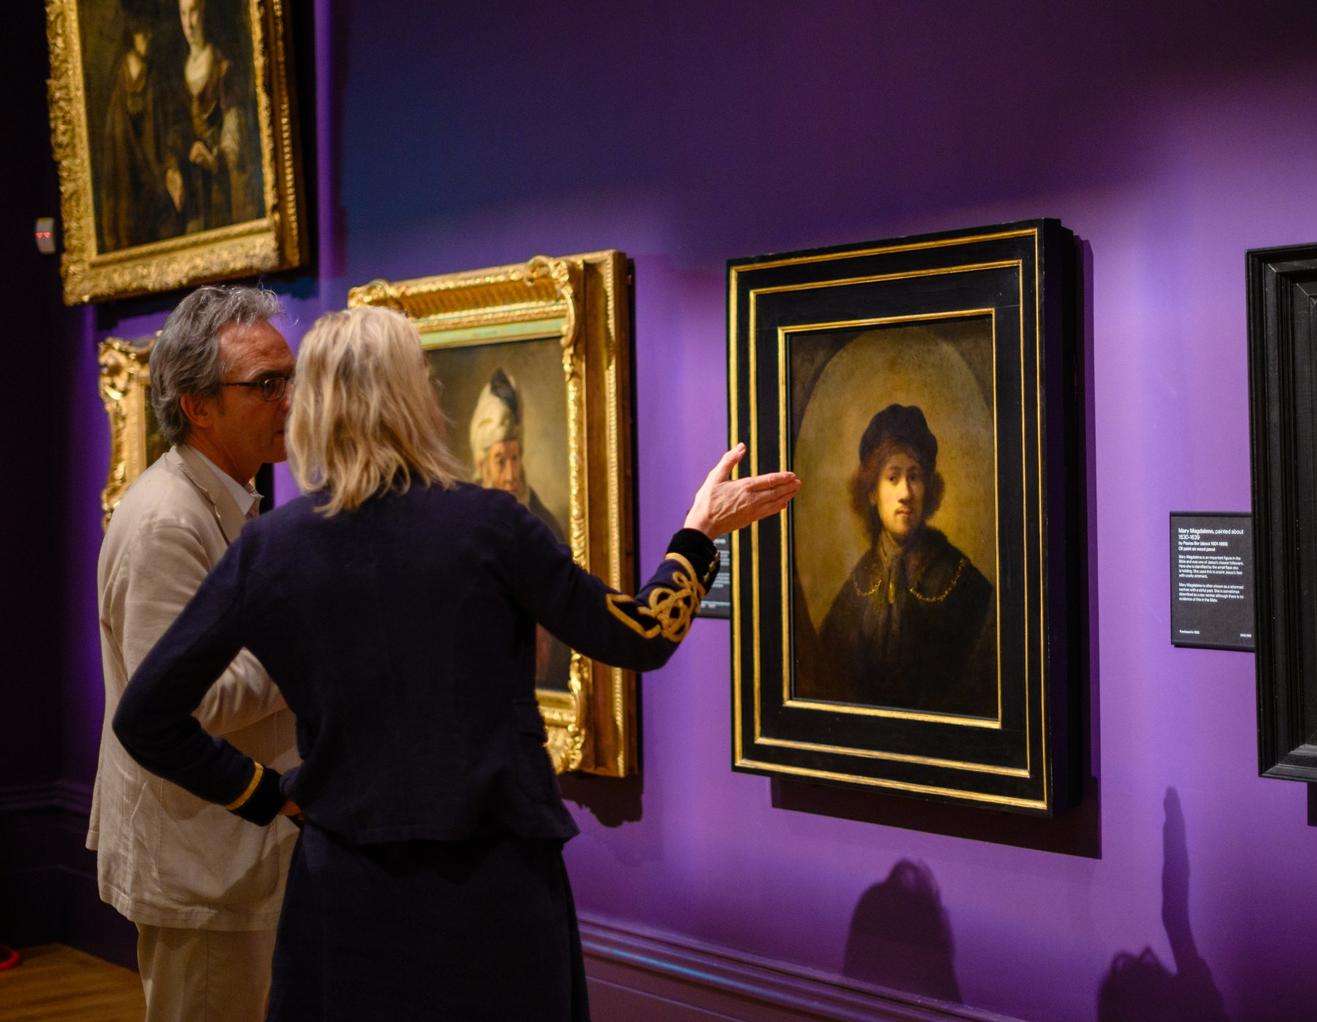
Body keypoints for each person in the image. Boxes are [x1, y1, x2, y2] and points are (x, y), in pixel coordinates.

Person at [112, 305, 799, 1020]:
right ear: (417, 396)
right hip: (494, 883)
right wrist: (698, 532)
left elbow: (146, 715)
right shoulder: (490, 525)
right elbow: (642, 636)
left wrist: (263, 793)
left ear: (312, 403)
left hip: (346, 887)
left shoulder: (272, 548)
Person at [90, 285, 298, 1021]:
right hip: (201, 862)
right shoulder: (164, 523)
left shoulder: (228, 496)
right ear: (197, 406)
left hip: (235, 848)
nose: (290, 399)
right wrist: (315, 636)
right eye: (266, 384)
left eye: (291, 376)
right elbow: (193, 699)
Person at [809, 403, 996, 717]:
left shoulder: (963, 583)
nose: (905, 493)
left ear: (928, 489)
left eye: (915, 477)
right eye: (892, 478)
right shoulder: (857, 584)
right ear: (872, 492)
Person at [469, 367, 571, 688]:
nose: (512, 474)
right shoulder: (463, 527)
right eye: (501, 461)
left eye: (516, 458)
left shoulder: (545, 528)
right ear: (482, 465)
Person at [164, 0, 260, 233]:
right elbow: (175, 133)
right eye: (183, 14)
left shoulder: (223, 69)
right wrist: (173, 168)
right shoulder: (178, 76)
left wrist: (214, 157)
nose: (188, 23)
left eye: (194, 12)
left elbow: (234, 134)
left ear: (204, 13)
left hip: (221, 191)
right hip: (193, 198)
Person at [98, 4, 177, 251]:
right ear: (132, 37)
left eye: (150, 33)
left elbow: (167, 122)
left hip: (153, 167)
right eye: (144, 34)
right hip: (128, 172)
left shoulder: (155, 78)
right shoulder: (119, 81)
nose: (149, 38)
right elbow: (116, 136)